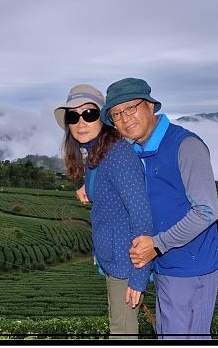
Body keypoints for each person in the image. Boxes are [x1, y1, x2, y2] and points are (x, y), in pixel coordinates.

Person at [98, 77, 218, 340]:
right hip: (163, 266)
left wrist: (158, 244)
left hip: (191, 268)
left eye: (131, 107)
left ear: (150, 106)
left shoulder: (185, 146)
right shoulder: (133, 152)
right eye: (116, 114)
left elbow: (207, 211)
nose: (125, 118)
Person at [54, 84, 153, 338]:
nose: (80, 122)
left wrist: (138, 278)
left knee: (122, 334)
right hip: (115, 260)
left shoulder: (118, 154)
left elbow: (142, 215)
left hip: (126, 263)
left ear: (103, 119)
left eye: (89, 114)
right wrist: (89, 187)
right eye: (72, 117)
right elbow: (112, 190)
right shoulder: (98, 154)